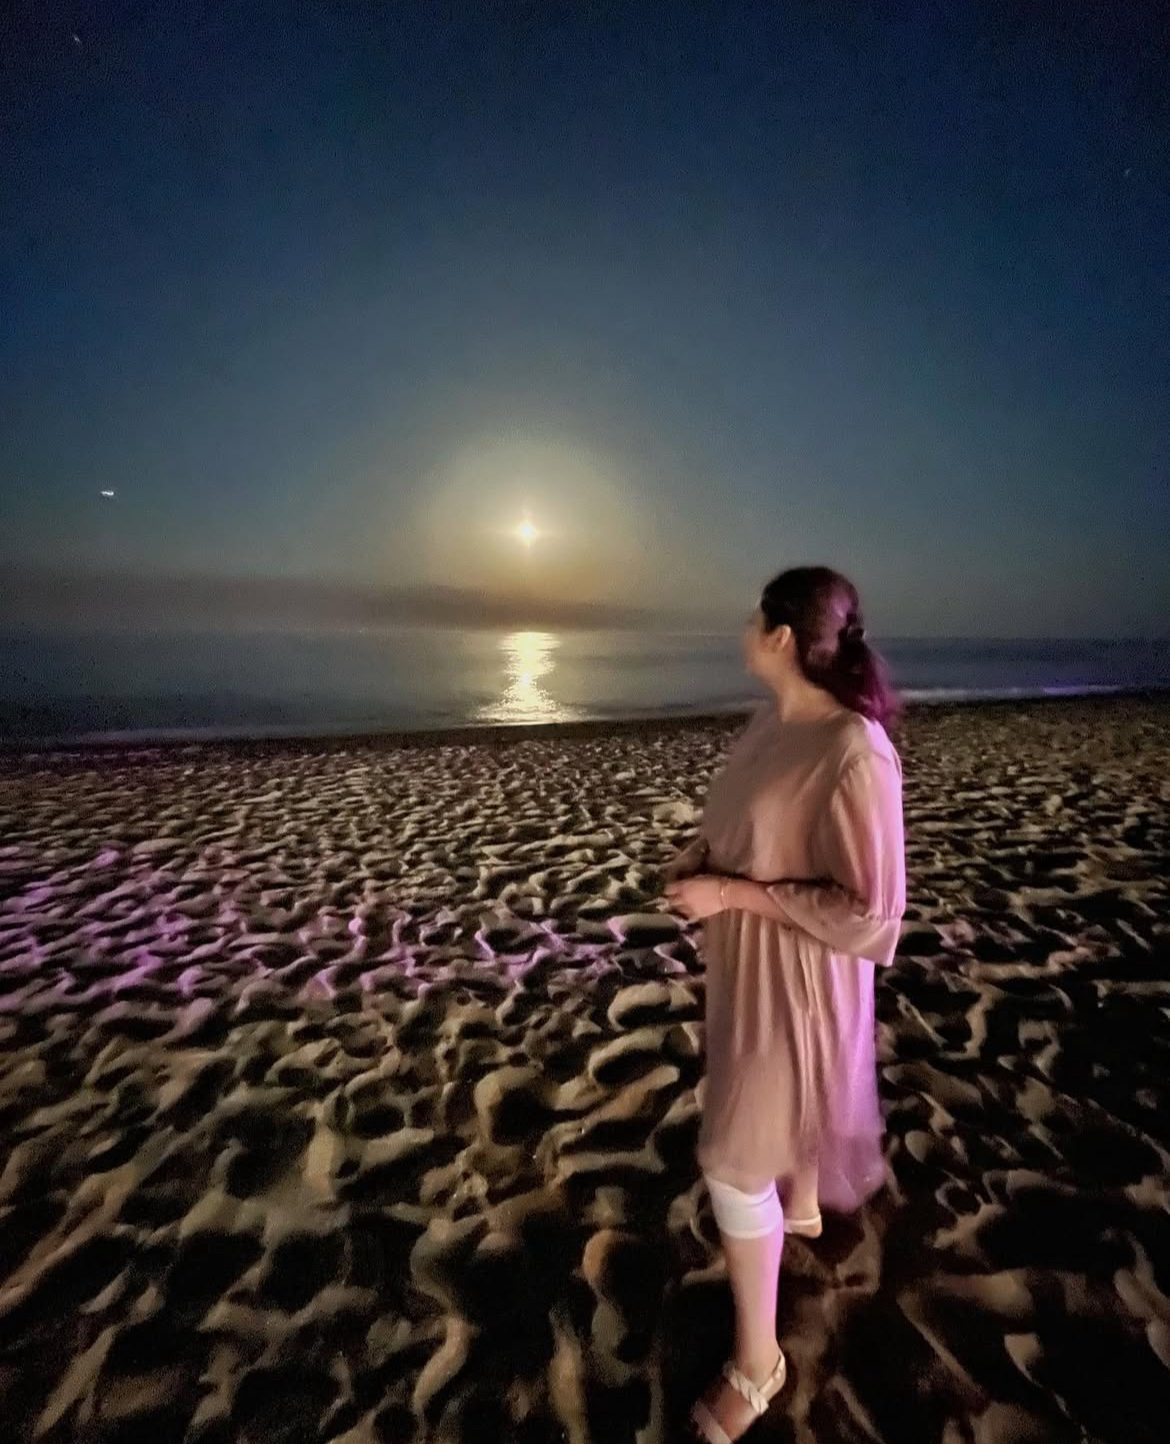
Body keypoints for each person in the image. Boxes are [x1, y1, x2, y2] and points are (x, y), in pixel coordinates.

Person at [662, 565, 907, 1444]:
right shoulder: (772, 723)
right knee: (768, 1134)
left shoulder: (854, 750)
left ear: (780, 638)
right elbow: (747, 826)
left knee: (731, 1161)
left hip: (801, 986)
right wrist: (701, 861)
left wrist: (729, 894)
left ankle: (759, 1362)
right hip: (747, 964)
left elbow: (873, 916)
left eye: (752, 617)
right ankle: (797, 1204)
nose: (742, 629)